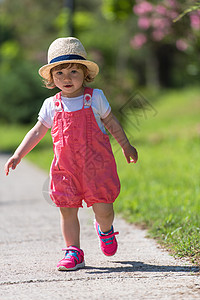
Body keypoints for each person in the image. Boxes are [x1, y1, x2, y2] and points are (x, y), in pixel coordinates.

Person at [4, 37, 138, 271]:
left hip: (96, 166)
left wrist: (126, 145)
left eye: (73, 71)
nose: (67, 78)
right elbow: (36, 132)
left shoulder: (95, 98)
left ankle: (104, 229)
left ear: (85, 73)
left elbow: (113, 123)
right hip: (65, 169)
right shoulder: (51, 105)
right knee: (67, 209)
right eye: (60, 73)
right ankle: (73, 251)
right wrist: (18, 154)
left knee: (104, 209)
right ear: (51, 78)